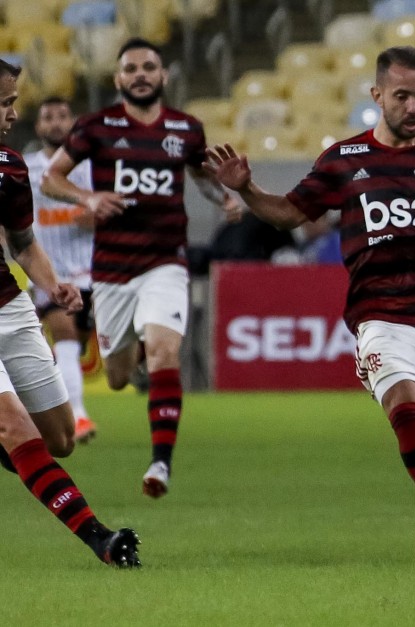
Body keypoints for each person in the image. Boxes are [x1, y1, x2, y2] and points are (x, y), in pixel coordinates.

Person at [205, 46, 415, 529]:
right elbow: (289, 212)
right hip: (382, 315)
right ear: (377, 95)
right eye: (401, 96)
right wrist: (247, 190)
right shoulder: (344, 159)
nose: (413, 107)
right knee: (406, 412)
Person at [41, 38, 240, 498]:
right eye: (131, 68)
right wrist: (88, 197)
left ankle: (160, 464)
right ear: (118, 79)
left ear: (163, 76)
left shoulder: (186, 129)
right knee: (115, 374)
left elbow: (201, 175)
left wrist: (226, 196)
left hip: (166, 261)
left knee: (166, 353)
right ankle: (134, 365)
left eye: (149, 66)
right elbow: (52, 178)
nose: (140, 75)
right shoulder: (97, 127)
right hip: (111, 271)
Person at [0, 58, 140, 567]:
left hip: (9, 307)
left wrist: (53, 285)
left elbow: (23, 243)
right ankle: (101, 539)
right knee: (13, 426)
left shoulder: (10, 167)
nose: (13, 113)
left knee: (58, 440)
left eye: (14, 101)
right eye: (4, 103)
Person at [25, 96, 98, 443]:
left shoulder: (90, 167)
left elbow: (116, 209)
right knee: (65, 337)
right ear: (38, 126)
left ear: (73, 122)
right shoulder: (24, 169)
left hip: (95, 274)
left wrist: (98, 215)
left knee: (88, 350)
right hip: (51, 277)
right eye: (48, 117)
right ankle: (79, 416)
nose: (55, 123)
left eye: (62, 115)